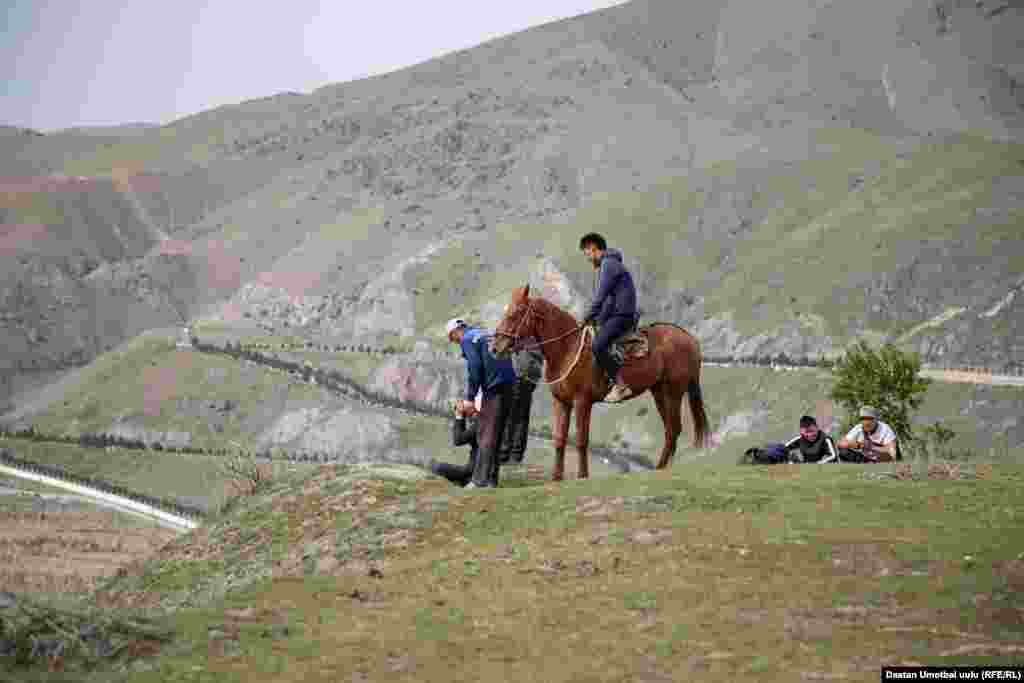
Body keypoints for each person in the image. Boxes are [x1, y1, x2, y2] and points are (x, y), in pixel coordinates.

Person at [446, 317, 518, 488]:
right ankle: (491, 480)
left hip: (494, 389)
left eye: (452, 338)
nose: (455, 342)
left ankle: (479, 482)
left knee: (485, 435)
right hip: (510, 386)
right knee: (496, 434)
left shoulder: (467, 339)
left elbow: (475, 367)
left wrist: (470, 398)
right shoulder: (484, 333)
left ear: (456, 332)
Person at [579, 232, 639, 403]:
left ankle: (621, 386)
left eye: (586, 253)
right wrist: (597, 319)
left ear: (592, 248)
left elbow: (601, 296)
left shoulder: (608, 264)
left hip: (622, 315)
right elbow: (608, 299)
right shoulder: (609, 264)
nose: (587, 258)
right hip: (617, 313)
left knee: (597, 346)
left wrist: (586, 318)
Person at [498, 337, 544, 464]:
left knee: (510, 415)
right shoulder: (535, 332)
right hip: (531, 375)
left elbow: (502, 347)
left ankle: (504, 454)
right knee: (522, 416)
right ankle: (516, 456)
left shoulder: (520, 328)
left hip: (519, 373)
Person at [429, 393, 482, 487]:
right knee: (438, 466)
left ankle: (465, 480)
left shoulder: (480, 423)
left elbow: (458, 440)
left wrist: (459, 416)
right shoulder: (485, 420)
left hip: (473, 472)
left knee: (438, 467)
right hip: (477, 469)